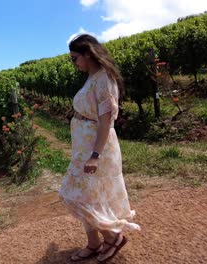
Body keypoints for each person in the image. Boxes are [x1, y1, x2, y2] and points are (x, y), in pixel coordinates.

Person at [59, 34, 141, 263]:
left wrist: (95, 156)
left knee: (77, 196)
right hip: (83, 146)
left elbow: (106, 121)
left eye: (75, 58)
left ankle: (114, 237)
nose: (73, 63)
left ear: (88, 54)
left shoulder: (104, 79)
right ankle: (94, 243)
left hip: (97, 148)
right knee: (90, 196)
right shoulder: (92, 77)